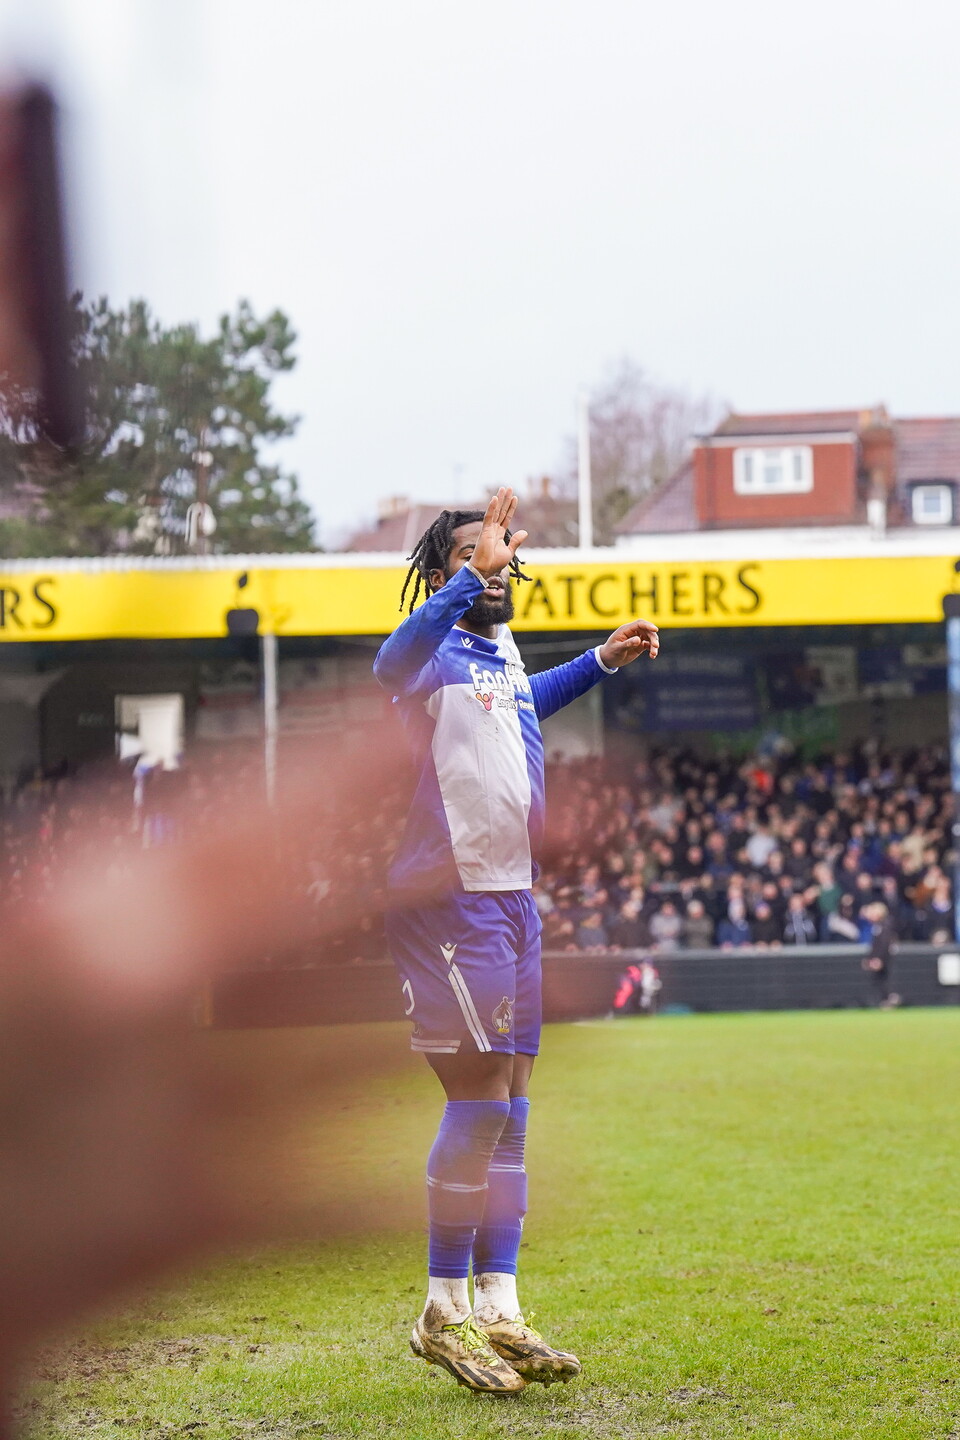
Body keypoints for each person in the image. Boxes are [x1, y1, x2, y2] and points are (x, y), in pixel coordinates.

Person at [374, 488, 659, 1395]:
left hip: (511, 903)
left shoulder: (496, 652)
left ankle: (498, 1305)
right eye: (471, 552)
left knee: (515, 1108)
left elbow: (525, 705)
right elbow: (389, 661)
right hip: (445, 901)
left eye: (499, 551)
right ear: (446, 572)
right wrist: (465, 581)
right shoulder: (429, 654)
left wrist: (601, 662)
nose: (493, 561)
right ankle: (442, 1311)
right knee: (482, 1100)